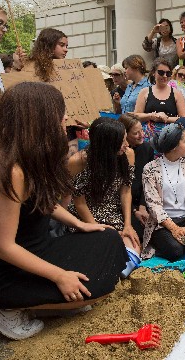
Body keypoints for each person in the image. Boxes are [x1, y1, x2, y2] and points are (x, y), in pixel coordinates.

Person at [0, 82, 127, 340]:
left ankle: (47, 302)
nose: (65, 119)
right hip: (4, 274)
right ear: (40, 119)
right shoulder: (12, 171)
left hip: (40, 250)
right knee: (94, 286)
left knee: (108, 239)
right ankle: (6, 310)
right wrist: (59, 276)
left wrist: (81, 225)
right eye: (60, 113)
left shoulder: (31, 158)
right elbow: (2, 246)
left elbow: (45, 203)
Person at [67, 117, 140, 277]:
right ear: (107, 144)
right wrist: (100, 230)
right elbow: (79, 203)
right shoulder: (78, 161)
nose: (126, 144)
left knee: (131, 254)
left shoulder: (128, 154)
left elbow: (126, 191)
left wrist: (127, 224)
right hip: (86, 215)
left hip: (113, 210)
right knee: (103, 254)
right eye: (122, 142)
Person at [141, 123, 185, 261]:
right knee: (175, 251)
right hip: (164, 224)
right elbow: (153, 205)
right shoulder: (150, 169)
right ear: (173, 146)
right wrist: (174, 229)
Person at [117, 114, 154, 242]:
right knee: (138, 233)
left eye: (141, 130)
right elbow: (120, 189)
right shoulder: (119, 153)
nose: (141, 135)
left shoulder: (147, 149)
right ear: (124, 135)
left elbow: (148, 180)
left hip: (143, 200)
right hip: (123, 204)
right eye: (136, 133)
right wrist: (134, 210)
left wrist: (143, 206)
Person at [133, 57, 185, 143]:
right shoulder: (145, 92)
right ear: (153, 73)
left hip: (171, 138)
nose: (165, 76)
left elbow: (184, 119)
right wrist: (151, 116)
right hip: (148, 138)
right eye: (161, 73)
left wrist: (166, 118)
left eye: (168, 73)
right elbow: (136, 115)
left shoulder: (177, 93)